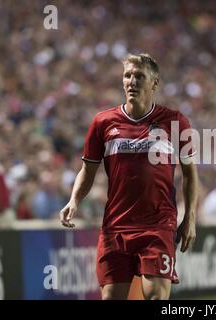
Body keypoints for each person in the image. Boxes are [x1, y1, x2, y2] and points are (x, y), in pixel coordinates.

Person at [60, 53, 199, 300]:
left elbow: (189, 174)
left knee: (156, 296)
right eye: (127, 75)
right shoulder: (103, 122)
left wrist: (190, 217)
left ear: (154, 83)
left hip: (157, 224)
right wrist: (74, 200)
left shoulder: (175, 121)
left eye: (139, 76)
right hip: (116, 226)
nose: (131, 81)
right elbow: (88, 170)